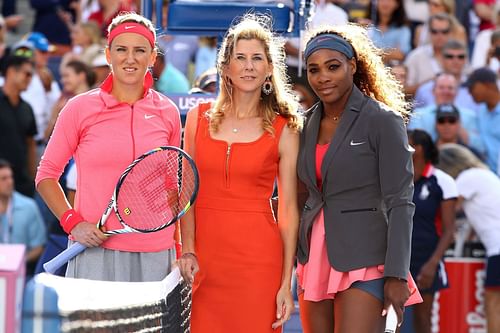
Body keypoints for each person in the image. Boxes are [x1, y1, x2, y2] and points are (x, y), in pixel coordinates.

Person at [178, 13, 302, 332]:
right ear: (225, 68)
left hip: (259, 262)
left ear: (269, 69)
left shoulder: (284, 128)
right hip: (203, 260)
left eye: (257, 58)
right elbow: (186, 195)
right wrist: (187, 249)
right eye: (240, 58)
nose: (248, 66)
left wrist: (286, 281)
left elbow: (288, 210)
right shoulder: (196, 117)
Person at [35, 12, 182, 282]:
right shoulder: (78, 108)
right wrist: (73, 223)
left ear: (152, 58)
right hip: (93, 251)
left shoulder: (168, 112)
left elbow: (173, 191)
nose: (130, 58)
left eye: (140, 50)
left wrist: (180, 251)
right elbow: (46, 175)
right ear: (107, 54)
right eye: (121, 49)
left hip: (156, 254)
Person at [296, 25, 422, 333]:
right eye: (314, 70)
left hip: (367, 258)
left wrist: (396, 275)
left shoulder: (382, 119)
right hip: (315, 259)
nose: (323, 77)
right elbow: (301, 197)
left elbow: (401, 203)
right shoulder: (304, 124)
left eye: (333, 67)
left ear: (353, 66)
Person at [437, 143, 500, 333]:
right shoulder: (485, 175)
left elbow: (448, 208)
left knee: (493, 303)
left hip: (498, 248)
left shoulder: (467, 177)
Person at [406, 129, 457, 333]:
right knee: (392, 317)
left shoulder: (442, 181)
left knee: (422, 319)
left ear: (418, 149)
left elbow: (449, 230)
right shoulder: (397, 178)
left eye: (407, 142)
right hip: (397, 257)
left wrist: (432, 264)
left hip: (426, 258)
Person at [0, 159, 46, 277]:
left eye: (11, 177)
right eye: (4, 179)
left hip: (21, 272)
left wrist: (17, 262)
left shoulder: (28, 206)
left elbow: (39, 247)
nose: (10, 182)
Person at [0, 55, 37, 198]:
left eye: (31, 75)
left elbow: (31, 144)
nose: (29, 79)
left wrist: (32, 177)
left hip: (22, 182)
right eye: (26, 74)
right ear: (11, 72)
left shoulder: (27, 108)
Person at [466, 67, 500, 174]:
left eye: (472, 88)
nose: (469, 93)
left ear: (487, 85)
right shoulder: (481, 111)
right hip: (487, 175)